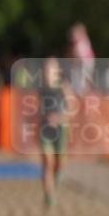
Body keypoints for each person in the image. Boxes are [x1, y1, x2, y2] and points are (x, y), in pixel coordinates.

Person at [37, 57, 73, 207]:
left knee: (59, 163)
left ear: (57, 71)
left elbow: (72, 106)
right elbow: (37, 109)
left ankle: (56, 176)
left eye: (51, 69)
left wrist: (60, 117)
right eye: (45, 69)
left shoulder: (63, 86)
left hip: (61, 128)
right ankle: (48, 195)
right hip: (45, 129)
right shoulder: (41, 88)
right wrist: (44, 117)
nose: (48, 72)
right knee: (48, 161)